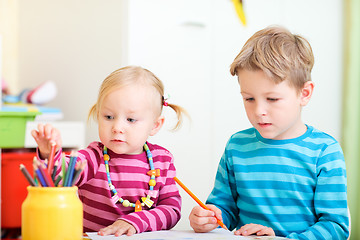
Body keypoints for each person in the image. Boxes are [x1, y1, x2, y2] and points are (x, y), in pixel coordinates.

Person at [189, 26, 349, 239]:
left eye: (272, 99)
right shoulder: (237, 146)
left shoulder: (324, 151)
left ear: (304, 93)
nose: (259, 111)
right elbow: (224, 209)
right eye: (249, 99)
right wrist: (210, 218)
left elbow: (335, 226)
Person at [31, 66, 187, 236]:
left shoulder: (162, 161)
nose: (117, 127)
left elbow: (172, 210)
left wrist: (136, 221)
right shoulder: (94, 156)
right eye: (109, 117)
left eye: (131, 119)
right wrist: (50, 154)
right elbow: (61, 178)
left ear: (155, 125)